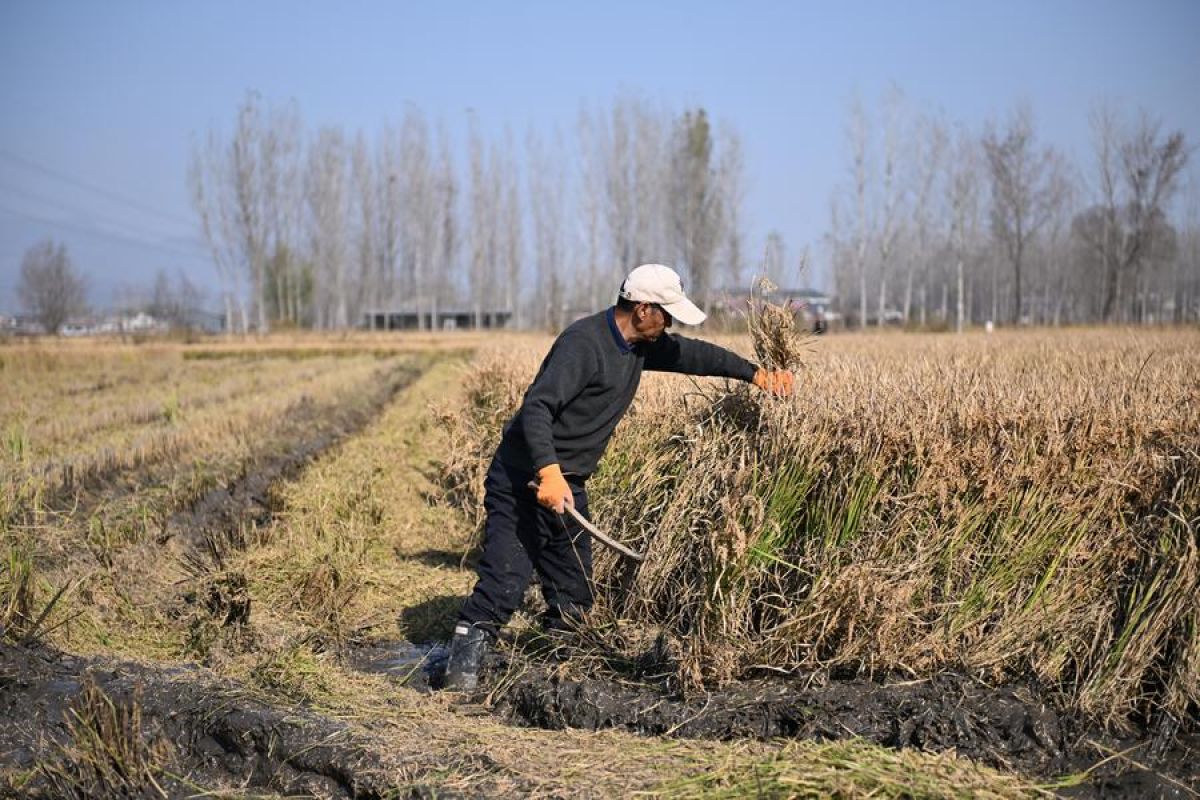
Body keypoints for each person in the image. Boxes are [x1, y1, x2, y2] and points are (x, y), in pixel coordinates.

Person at [443, 264, 794, 690]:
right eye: (668, 315)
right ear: (644, 309)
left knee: (574, 593)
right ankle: (458, 683)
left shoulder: (641, 346)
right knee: (504, 581)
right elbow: (537, 407)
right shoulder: (583, 344)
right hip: (524, 480)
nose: (670, 324)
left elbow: (696, 356)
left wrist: (756, 374)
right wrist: (549, 473)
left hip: (566, 484)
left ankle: (558, 680)